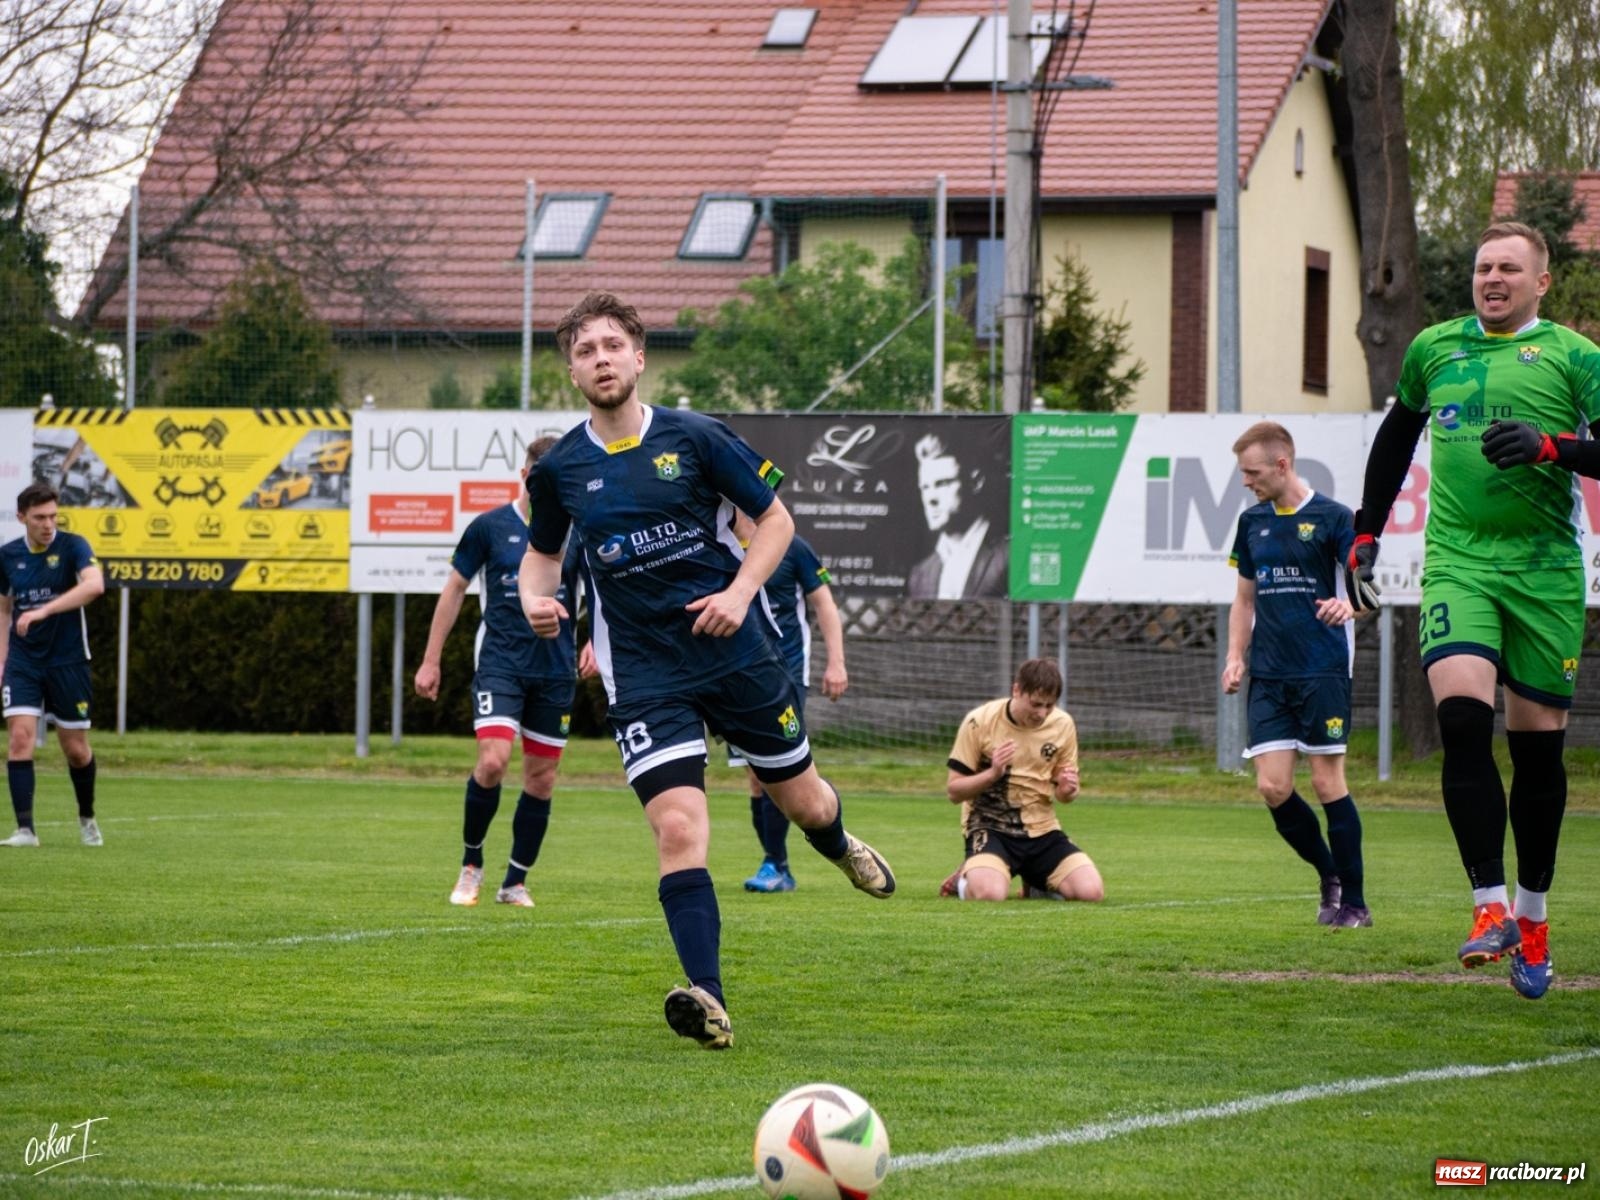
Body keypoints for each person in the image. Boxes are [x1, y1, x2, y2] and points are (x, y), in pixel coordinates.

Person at [518, 292, 896, 1050]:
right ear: (572, 369)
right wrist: (536, 599)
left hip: (735, 653)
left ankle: (839, 845)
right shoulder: (559, 469)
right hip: (645, 674)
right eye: (585, 349)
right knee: (679, 828)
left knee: (805, 803)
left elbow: (779, 523)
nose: (600, 359)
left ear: (639, 355)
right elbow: (542, 556)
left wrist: (738, 591)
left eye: (611, 345)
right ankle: (708, 997)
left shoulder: (696, 437)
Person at [1350, 221, 1600, 998]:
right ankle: (1487, 906)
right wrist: (1366, 531)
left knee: (1536, 755)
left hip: (1546, 575)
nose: (1491, 278)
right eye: (1483, 267)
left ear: (1541, 282)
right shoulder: (1433, 348)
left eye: (1508, 269)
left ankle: (1532, 916)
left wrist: (1552, 446)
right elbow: (1396, 438)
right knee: (1462, 721)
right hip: (1459, 564)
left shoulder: (1575, 356)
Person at [414, 438, 579, 909]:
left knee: (542, 779)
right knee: (492, 761)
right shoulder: (489, 527)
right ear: (527, 478)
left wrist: (598, 651)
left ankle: (514, 883)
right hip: (501, 664)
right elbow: (454, 589)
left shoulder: (578, 534)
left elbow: (603, 597)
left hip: (555, 670)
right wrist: (431, 659)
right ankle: (471, 867)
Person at [1221, 421, 1370, 928]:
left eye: (1253, 472)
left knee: (1328, 783)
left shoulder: (1334, 518)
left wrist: (1347, 605)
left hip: (1321, 668)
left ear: (1281, 465)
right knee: (1272, 787)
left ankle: (1355, 902)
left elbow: (1367, 589)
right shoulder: (1252, 522)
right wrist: (1235, 655)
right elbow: (1244, 599)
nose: (1247, 481)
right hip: (1268, 672)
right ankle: (1330, 875)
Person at [723, 509, 849, 894]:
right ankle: (775, 862)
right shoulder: (717, 545)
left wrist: (837, 663)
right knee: (755, 777)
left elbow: (824, 604)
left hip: (785, 674)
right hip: (736, 674)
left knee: (773, 773)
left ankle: (775, 864)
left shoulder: (791, 546)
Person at [941, 657, 1104, 903]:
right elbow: (954, 792)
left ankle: (1036, 882)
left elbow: (1064, 795)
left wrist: (1068, 790)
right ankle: (964, 879)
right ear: (1016, 690)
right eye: (1036, 704)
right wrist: (993, 774)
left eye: (1049, 706)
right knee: (990, 894)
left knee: (1091, 893)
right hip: (990, 828)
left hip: (1043, 830)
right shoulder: (980, 721)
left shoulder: (1063, 724)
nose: (1042, 713)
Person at [0, 482, 106, 848]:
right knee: (19, 739)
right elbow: (3, 610)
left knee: (75, 749)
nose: (48, 524)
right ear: (22, 518)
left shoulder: (74, 546)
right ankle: (25, 830)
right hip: (24, 661)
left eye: (53, 516)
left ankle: (87, 816)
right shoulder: (7, 555)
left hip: (68, 660)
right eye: (39, 518)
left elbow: (95, 586)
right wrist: (2, 662)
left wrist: (43, 610)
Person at [906, 433, 1007, 599]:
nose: (930, 498)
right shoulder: (920, 574)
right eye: (925, 487)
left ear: (976, 482)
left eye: (942, 484)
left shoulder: (1009, 556)